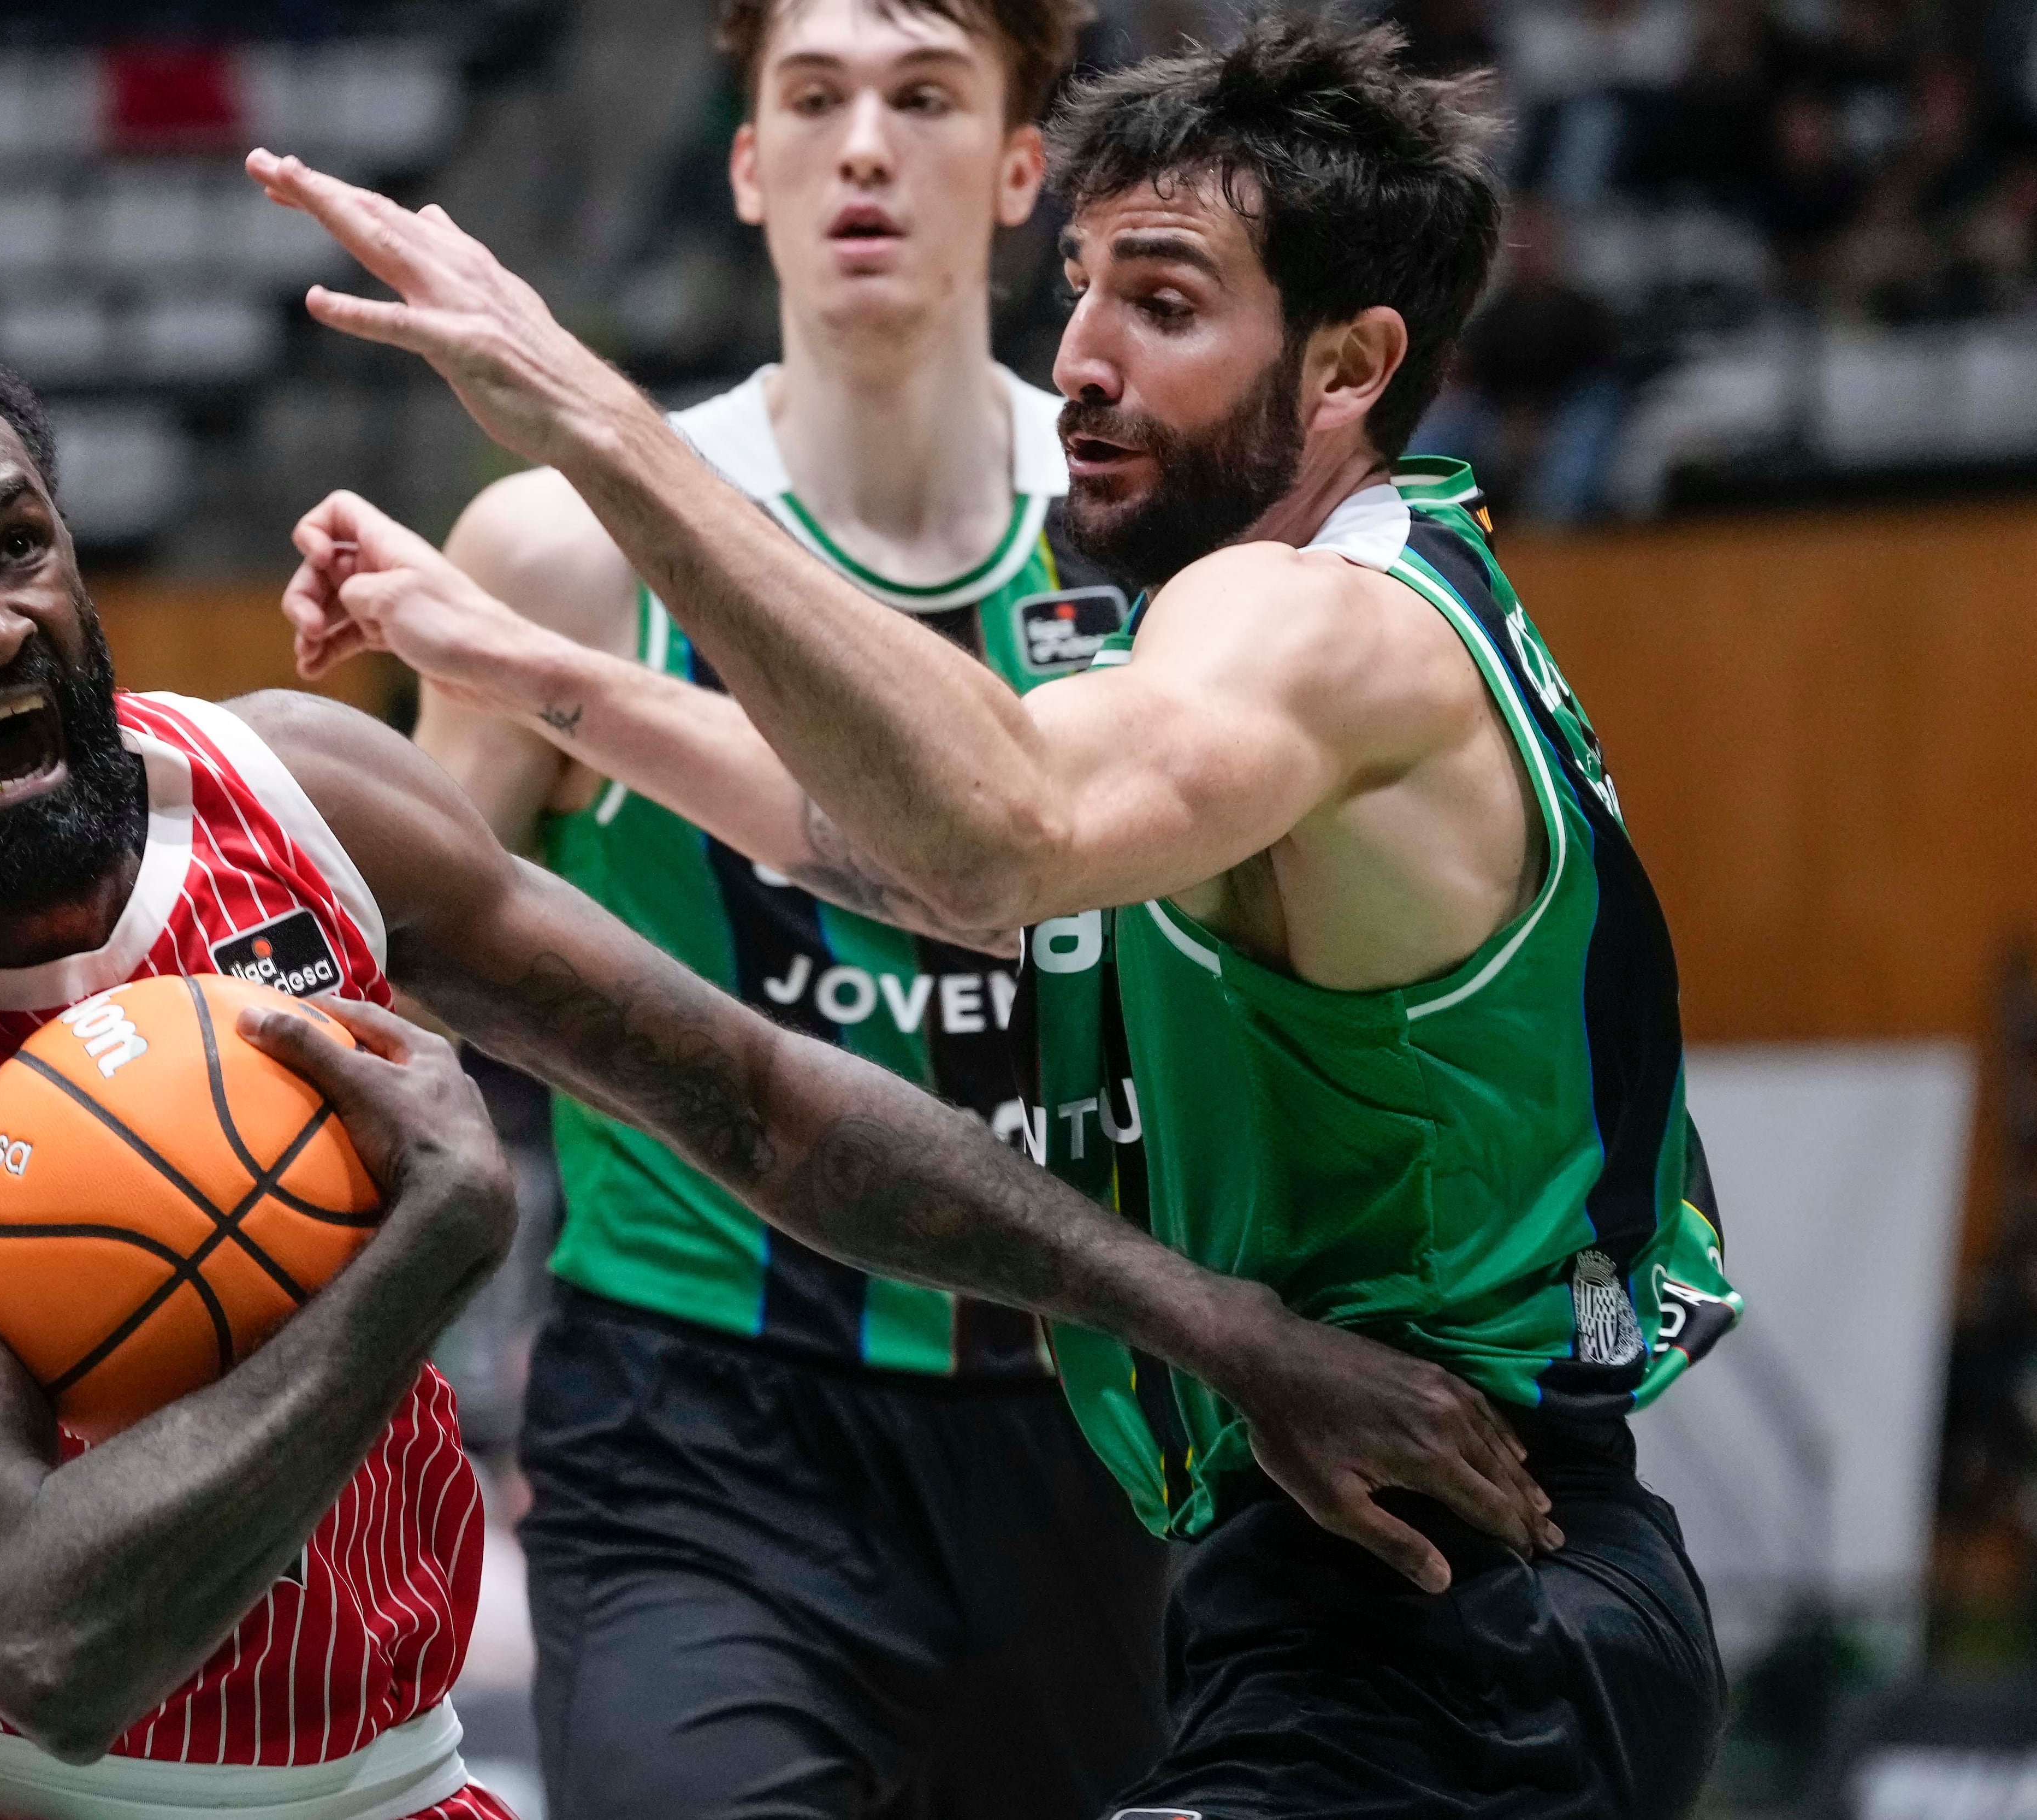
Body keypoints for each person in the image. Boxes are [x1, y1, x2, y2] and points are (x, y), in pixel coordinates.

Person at [0, 319, 1553, 1820]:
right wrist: (416, 1264)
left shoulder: (300, 788)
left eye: (21, 546)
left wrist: (1221, 1326)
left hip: (386, 1782)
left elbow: (761, 1100)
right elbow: (40, 1639)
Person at [253, 15, 1744, 1817]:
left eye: (1169, 308)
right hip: (1339, 1574)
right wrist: (557, 677)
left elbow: (995, 843)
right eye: (1088, 299)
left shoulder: (1310, 626)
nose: (1092, 364)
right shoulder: (1330, 612)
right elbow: (899, 861)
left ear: (1352, 367)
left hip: (1446, 1600)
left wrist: (586, 416)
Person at [412, 2, 1166, 1815]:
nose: (863, 148)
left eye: (923, 99)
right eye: (812, 101)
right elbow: (392, 977)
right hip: (699, 1431)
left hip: (1103, 1426)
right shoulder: (559, 552)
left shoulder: (1153, 535)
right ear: (746, 167)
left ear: (1016, 169)